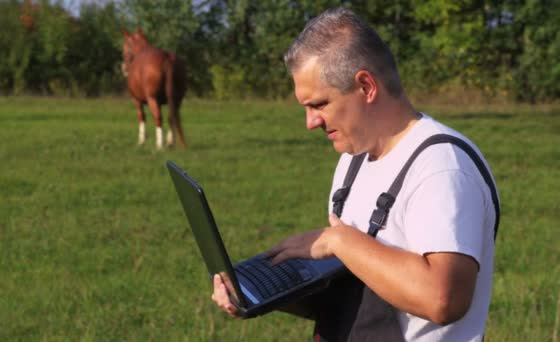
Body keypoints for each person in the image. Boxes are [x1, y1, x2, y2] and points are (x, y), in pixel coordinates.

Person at [211, 7, 498, 341]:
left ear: (366, 86)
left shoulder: (441, 167)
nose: (310, 122)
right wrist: (259, 293)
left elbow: (444, 298)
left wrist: (341, 241)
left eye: (319, 104)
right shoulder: (353, 159)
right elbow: (353, 300)